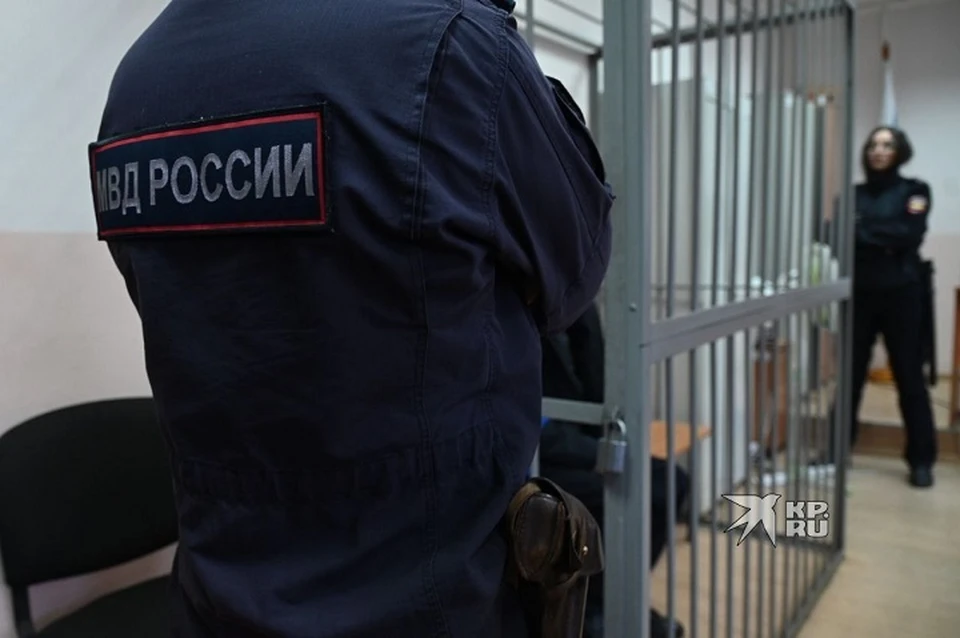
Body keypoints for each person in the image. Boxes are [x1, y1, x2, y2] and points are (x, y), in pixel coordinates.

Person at [88, 1, 614, 636]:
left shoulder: (137, 78)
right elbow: (574, 281)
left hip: (215, 603)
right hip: (432, 604)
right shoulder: (453, 45)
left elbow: (173, 303)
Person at [537, 303, 689, 638]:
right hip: (536, 453)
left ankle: (608, 601)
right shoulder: (517, 301)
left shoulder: (578, 301)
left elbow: (597, 378)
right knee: (643, 490)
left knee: (669, 482)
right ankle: (598, 609)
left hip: (578, 438)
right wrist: (600, 451)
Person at [828, 126, 937, 487]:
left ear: (900, 151)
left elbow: (909, 234)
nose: (878, 150)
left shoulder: (915, 191)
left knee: (909, 377)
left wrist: (862, 232)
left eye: (887, 145)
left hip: (902, 295)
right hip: (860, 294)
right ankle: (835, 451)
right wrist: (883, 235)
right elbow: (835, 236)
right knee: (850, 376)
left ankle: (921, 460)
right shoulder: (853, 195)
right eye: (873, 144)